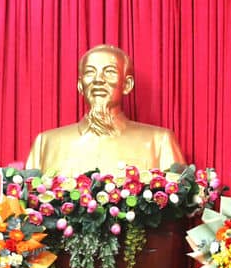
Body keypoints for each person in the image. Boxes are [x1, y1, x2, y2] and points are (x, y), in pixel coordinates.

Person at [25, 44, 184, 174]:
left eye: (109, 72)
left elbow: (180, 198)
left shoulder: (159, 142)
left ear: (127, 85)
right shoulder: (46, 143)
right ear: (80, 85)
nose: (98, 80)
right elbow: (26, 200)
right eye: (90, 72)